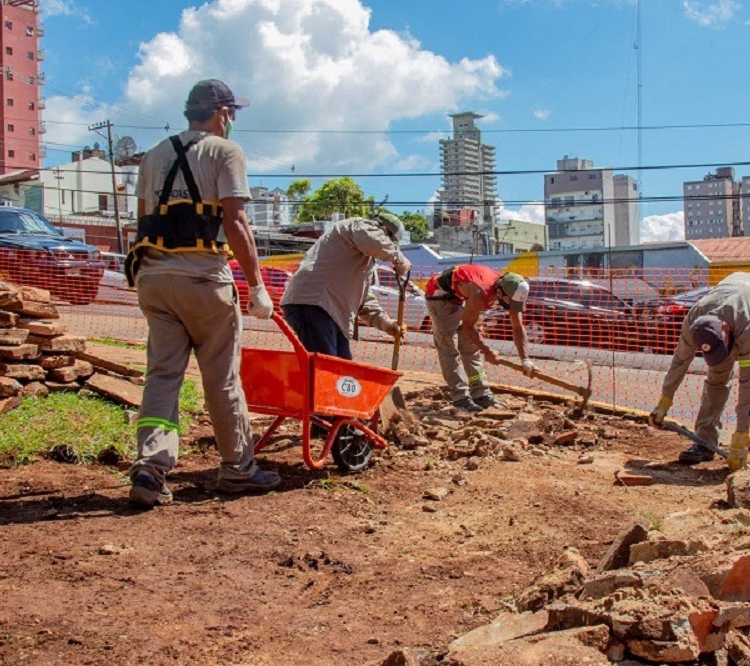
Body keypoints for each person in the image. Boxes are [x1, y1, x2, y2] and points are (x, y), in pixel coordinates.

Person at [126, 79, 281, 507]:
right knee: (221, 378)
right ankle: (238, 469)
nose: (232, 121)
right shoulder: (226, 151)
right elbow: (236, 222)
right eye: (232, 114)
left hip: (155, 279)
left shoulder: (154, 155)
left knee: (162, 376)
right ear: (222, 113)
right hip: (203, 280)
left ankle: (150, 469)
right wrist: (257, 287)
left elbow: (143, 220)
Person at [648, 272, 750, 467]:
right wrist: (664, 401)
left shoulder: (748, 327)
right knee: (717, 377)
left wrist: (740, 439)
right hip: (735, 313)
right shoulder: (693, 322)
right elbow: (679, 362)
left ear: (725, 329)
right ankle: (704, 442)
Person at [281, 212, 410, 359]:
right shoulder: (359, 225)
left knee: (342, 367)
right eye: (390, 243)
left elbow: (363, 299)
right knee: (326, 368)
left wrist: (385, 322)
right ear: (383, 231)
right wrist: (399, 258)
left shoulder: (362, 262)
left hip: (328, 310)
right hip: (315, 303)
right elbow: (371, 239)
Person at [424, 264, 535, 412]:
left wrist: (525, 359)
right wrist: (487, 350)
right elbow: (467, 326)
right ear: (500, 293)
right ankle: (460, 398)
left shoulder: (512, 290)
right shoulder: (479, 293)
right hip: (440, 296)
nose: (511, 306)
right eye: (510, 302)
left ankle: (481, 394)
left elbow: (518, 327)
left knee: (471, 348)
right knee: (449, 348)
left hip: (460, 295)